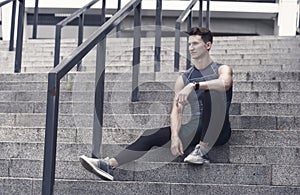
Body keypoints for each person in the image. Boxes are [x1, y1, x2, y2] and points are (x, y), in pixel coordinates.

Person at [80, 27, 233, 181]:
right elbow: (177, 110)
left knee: (212, 92)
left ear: (208, 45)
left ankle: (201, 149)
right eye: (189, 44)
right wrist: (174, 136)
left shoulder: (222, 69)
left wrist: (195, 86)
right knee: (150, 134)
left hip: (218, 130)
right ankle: (109, 164)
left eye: (195, 44)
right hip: (195, 128)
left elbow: (225, 83)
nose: (191, 48)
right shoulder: (184, 78)